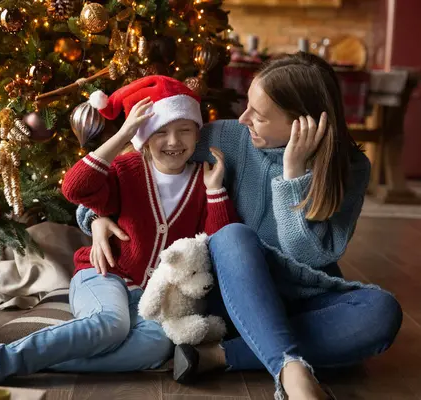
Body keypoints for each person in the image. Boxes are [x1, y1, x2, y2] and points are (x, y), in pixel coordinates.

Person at [78, 53, 403, 400]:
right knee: (232, 236)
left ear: (300, 124)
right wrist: (96, 217)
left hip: (302, 296)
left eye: (259, 116)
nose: (244, 118)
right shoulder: (227, 138)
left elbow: (306, 255)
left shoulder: (349, 168)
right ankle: (293, 373)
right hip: (231, 299)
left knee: (382, 312)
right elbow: (141, 160)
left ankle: (219, 355)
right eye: (247, 106)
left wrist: (291, 175)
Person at [0, 75, 237, 385]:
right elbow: (75, 188)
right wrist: (123, 134)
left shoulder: (202, 180)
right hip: (104, 275)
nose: (173, 142)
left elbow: (215, 244)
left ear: (197, 134)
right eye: (160, 132)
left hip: (159, 297)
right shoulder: (126, 171)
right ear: (143, 137)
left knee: (156, 345)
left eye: (184, 131)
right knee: (110, 325)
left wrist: (214, 191)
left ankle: (43, 358)